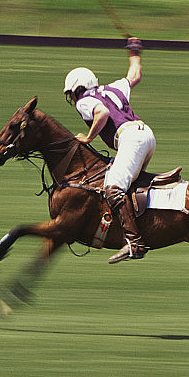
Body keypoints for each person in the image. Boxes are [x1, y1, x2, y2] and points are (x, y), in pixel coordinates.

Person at [63, 37, 155, 264]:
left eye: (71, 93)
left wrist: (88, 137)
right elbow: (135, 75)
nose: (72, 99)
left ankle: (134, 243)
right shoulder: (114, 88)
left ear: (78, 89)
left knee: (113, 188)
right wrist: (134, 50)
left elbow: (102, 113)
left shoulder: (84, 100)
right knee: (128, 187)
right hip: (147, 135)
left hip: (130, 138)